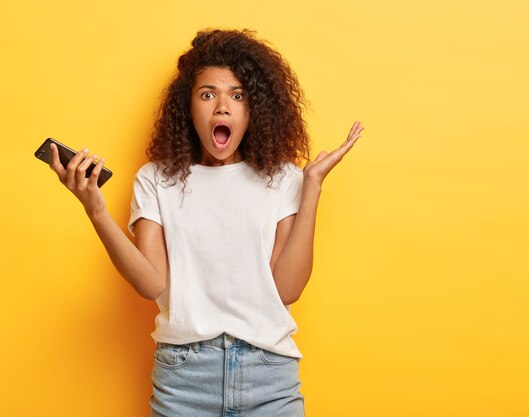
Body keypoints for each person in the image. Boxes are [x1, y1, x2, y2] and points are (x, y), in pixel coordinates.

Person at [48, 28, 364, 417]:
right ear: (188, 106)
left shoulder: (283, 179)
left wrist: (312, 185)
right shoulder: (156, 179)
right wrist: (95, 209)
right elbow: (151, 283)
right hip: (184, 380)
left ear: (255, 108)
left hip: (269, 377)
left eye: (237, 95)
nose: (222, 108)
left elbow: (287, 288)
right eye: (208, 94)